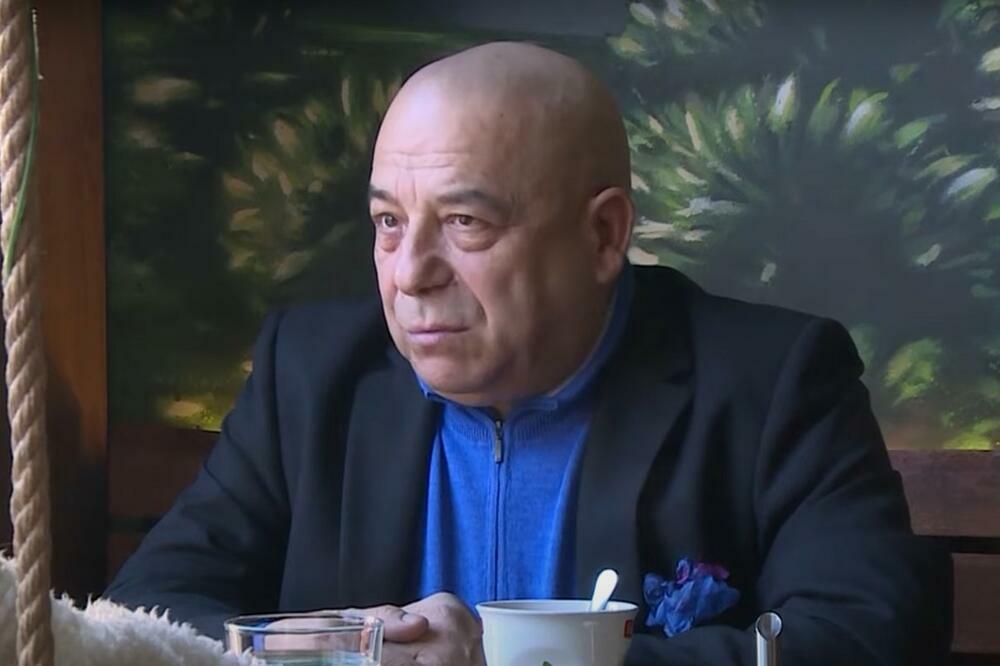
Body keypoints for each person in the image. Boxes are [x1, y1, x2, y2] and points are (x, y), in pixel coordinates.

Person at [106, 42, 952, 665]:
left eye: (465, 222)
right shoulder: (312, 374)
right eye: (389, 222)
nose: (410, 272)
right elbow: (145, 610)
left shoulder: (772, 382)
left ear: (604, 236)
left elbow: (862, 640)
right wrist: (331, 649)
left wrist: (512, 663)